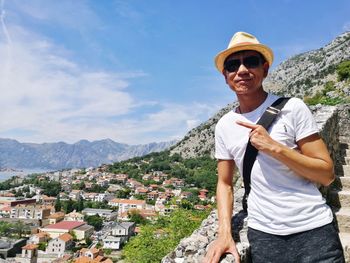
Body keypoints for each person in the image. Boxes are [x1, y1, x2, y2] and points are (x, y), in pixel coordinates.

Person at [203, 32, 345, 263]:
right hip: (264, 236)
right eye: (232, 65)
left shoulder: (293, 108)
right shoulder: (224, 125)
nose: (241, 70)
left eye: (251, 61)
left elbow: (326, 174)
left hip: (314, 230)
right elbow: (224, 183)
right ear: (225, 75)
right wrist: (224, 233)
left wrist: (275, 148)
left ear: (265, 69)